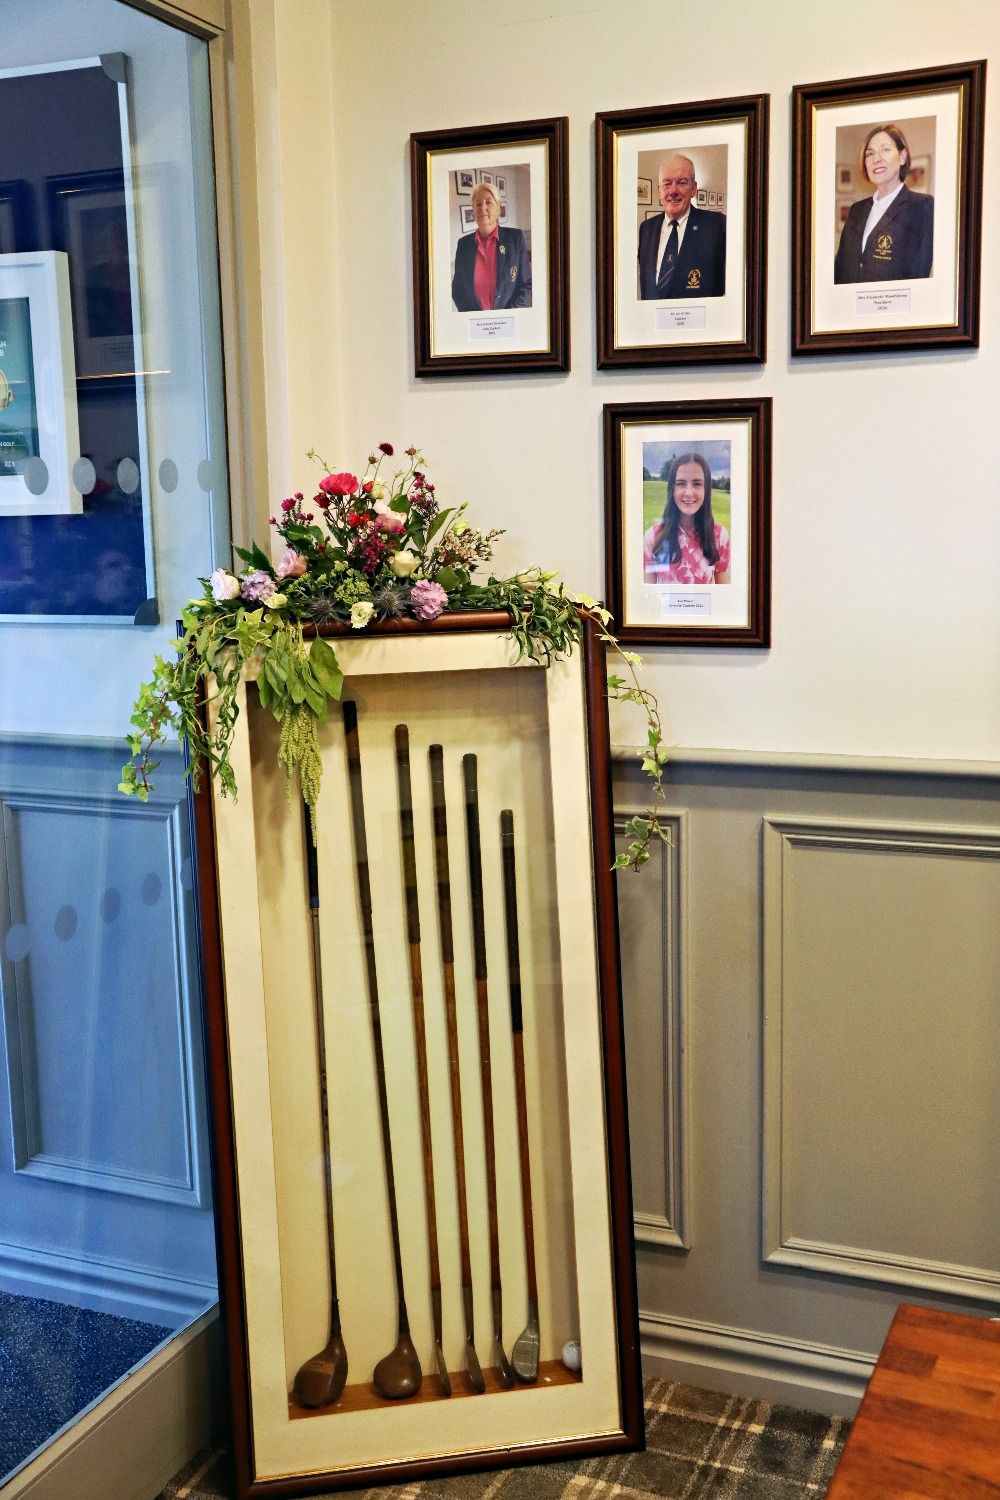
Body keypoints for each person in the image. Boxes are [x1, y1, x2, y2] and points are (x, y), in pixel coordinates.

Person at [834, 123, 933, 283]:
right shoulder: (856, 210)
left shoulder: (923, 206)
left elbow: (918, 276)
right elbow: (840, 268)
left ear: (902, 156)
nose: (876, 159)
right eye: (869, 154)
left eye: (885, 149)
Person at [637, 154, 726, 300]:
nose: (673, 191)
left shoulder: (718, 226)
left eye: (682, 182)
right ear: (659, 190)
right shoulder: (646, 228)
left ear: (693, 189)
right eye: (667, 184)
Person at [643, 451, 731, 585]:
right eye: (681, 483)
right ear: (672, 489)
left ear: (706, 489)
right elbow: (649, 593)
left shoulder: (720, 537)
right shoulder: (653, 537)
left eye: (697, 484)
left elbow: (724, 593)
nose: (688, 492)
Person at [451, 180, 532, 311]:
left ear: (498, 209)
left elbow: (526, 284)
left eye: (488, 202)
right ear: (473, 211)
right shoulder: (463, 245)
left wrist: (508, 316)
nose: (483, 208)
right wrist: (474, 318)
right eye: (478, 204)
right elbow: (458, 290)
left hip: (509, 319)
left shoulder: (515, 238)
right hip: (476, 321)